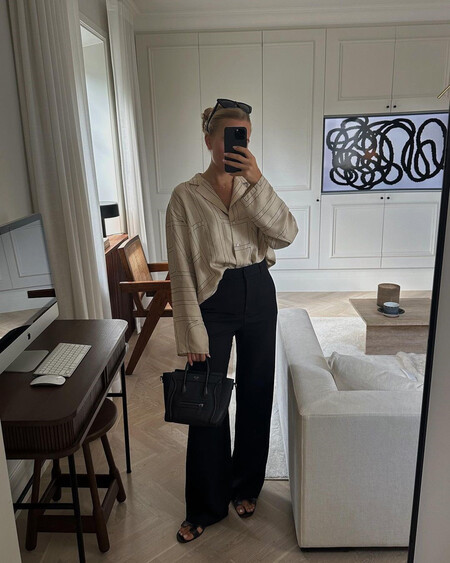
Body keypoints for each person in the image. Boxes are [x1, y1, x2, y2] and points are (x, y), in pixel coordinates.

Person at [165, 98, 299, 543]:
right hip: (213, 299)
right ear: (209, 139)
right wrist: (190, 330)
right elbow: (180, 269)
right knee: (207, 400)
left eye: (244, 136)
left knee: (257, 391)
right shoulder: (185, 196)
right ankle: (206, 503)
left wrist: (257, 181)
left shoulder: (253, 186)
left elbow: (287, 233)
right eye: (229, 136)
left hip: (258, 289)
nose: (237, 144)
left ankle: (246, 486)